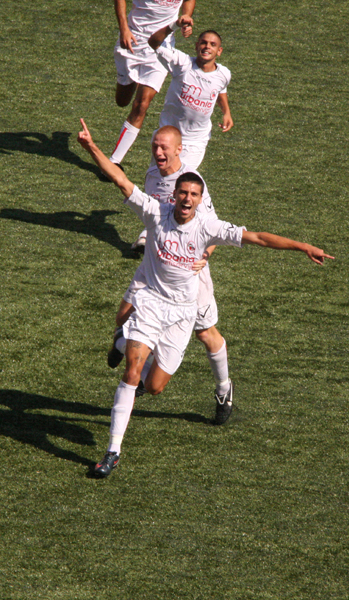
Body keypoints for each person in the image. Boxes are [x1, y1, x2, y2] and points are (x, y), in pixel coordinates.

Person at [77, 119, 334, 478]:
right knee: (132, 371)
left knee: (154, 386)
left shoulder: (209, 227)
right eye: (182, 194)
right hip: (150, 302)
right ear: (175, 196)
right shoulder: (155, 212)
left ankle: (123, 340)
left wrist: (303, 246)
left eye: (193, 196)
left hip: (182, 315)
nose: (186, 199)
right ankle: (112, 451)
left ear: (200, 200)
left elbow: (258, 237)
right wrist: (91, 147)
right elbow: (120, 180)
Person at [109, 125, 235, 429]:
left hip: (190, 277)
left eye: (164, 147)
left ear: (180, 149)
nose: (158, 152)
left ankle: (223, 389)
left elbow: (213, 231)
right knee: (122, 317)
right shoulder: (153, 175)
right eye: (154, 146)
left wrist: (203, 257)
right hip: (156, 267)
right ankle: (127, 347)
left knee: (206, 335)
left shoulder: (194, 185)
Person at [109, 0, 196, 166]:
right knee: (122, 101)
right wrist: (123, 29)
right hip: (133, 39)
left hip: (160, 46)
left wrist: (186, 16)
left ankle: (114, 162)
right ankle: (131, 79)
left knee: (141, 105)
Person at [147, 25, 233, 169]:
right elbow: (153, 43)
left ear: (219, 51)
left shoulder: (224, 74)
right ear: (196, 46)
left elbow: (220, 89)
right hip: (168, 136)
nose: (207, 47)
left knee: (182, 180)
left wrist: (226, 112)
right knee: (159, 179)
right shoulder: (182, 63)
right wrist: (174, 25)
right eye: (204, 42)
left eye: (213, 45)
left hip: (195, 141)